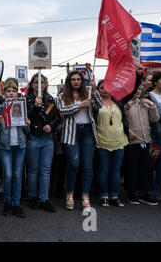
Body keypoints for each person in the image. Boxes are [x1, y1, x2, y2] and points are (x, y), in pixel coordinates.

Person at [56, 71, 102, 209]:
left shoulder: (87, 93)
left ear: (82, 81)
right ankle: (69, 194)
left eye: (79, 79)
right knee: (73, 164)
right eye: (73, 79)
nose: (76, 81)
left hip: (87, 131)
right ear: (69, 81)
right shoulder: (62, 95)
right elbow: (62, 110)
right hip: (72, 132)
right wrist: (79, 105)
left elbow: (99, 106)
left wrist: (94, 90)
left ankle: (85, 195)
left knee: (87, 165)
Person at [0, 78, 30, 218]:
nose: (11, 93)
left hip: (20, 145)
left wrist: (27, 125)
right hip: (5, 145)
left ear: (17, 92)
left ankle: (16, 204)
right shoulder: (1, 107)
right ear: (4, 92)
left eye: (14, 90)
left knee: (17, 175)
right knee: (7, 175)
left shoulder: (22, 106)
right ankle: (7, 203)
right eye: (8, 91)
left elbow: (27, 132)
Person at [25, 73, 60, 212]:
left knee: (45, 170)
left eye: (42, 82)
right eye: (36, 82)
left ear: (46, 85)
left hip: (47, 139)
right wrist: (35, 106)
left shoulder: (50, 99)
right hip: (33, 138)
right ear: (32, 84)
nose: (39, 85)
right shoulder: (27, 100)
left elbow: (57, 118)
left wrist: (51, 125)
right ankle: (33, 197)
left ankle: (44, 198)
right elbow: (25, 117)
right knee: (33, 170)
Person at [95, 80, 130, 208]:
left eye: (107, 87)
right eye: (102, 88)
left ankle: (115, 196)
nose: (105, 90)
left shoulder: (119, 102)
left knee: (116, 170)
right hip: (101, 140)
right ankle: (104, 196)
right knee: (103, 169)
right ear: (98, 90)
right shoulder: (96, 104)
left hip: (119, 140)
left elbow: (132, 89)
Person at [124, 84, 160, 205]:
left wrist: (152, 105)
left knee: (147, 167)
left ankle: (144, 192)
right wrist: (127, 131)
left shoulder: (145, 103)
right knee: (132, 167)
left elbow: (155, 119)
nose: (138, 91)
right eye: (136, 89)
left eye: (140, 89)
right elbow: (121, 120)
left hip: (146, 140)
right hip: (132, 141)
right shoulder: (126, 104)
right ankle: (131, 192)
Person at [144, 72, 161, 203]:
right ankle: (152, 190)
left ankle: (159, 189)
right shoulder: (149, 96)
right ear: (156, 82)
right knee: (155, 161)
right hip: (155, 134)